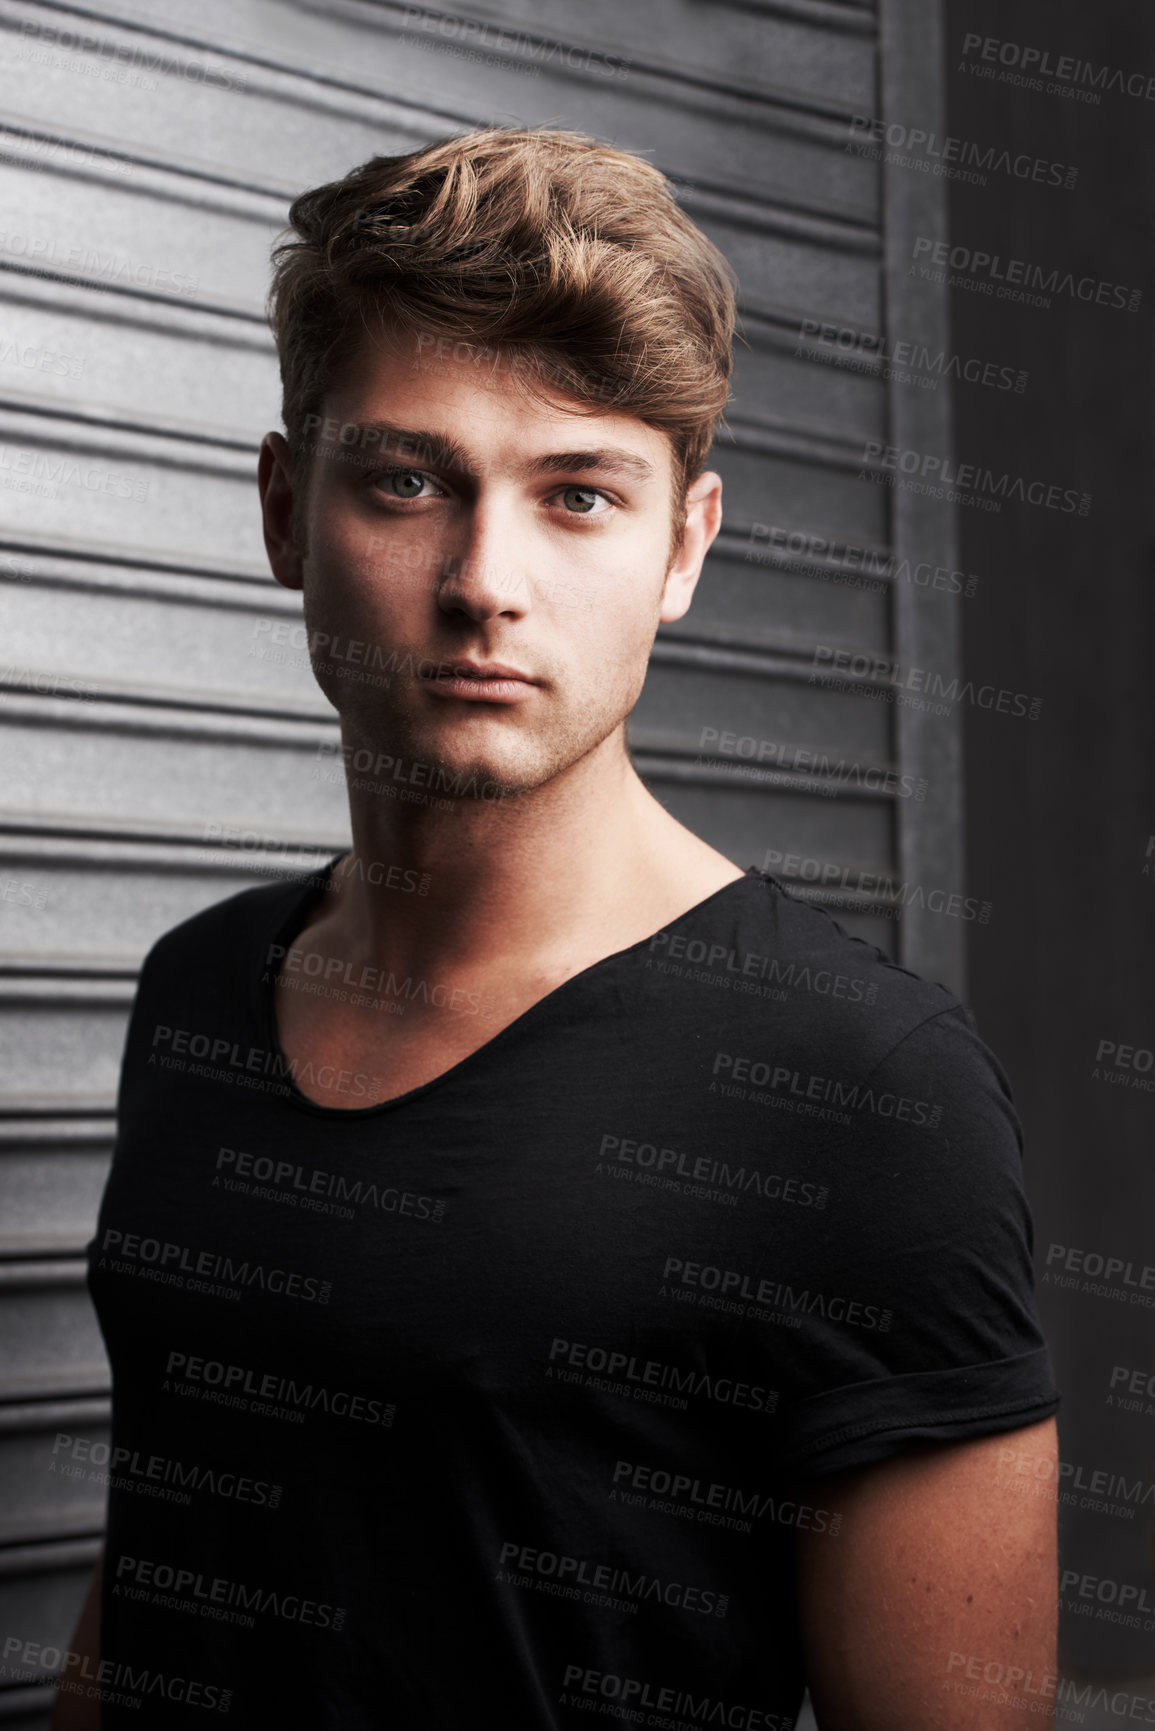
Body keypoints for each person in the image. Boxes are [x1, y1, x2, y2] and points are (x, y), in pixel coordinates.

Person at [59, 126, 1060, 1729]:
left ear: (685, 547)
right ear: (280, 510)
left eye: (578, 495)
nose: (482, 582)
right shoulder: (197, 986)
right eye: (406, 479)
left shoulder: (869, 1089)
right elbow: (164, 1565)